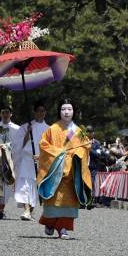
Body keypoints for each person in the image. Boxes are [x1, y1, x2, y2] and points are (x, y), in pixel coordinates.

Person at [36, 99, 93, 239]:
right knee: (53, 200)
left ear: (74, 111)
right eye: (63, 109)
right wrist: (58, 153)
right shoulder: (52, 129)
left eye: (69, 109)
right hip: (55, 170)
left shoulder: (79, 131)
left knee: (68, 202)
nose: (66, 112)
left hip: (72, 172)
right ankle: (50, 223)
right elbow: (44, 146)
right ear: (59, 111)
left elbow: (85, 149)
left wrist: (79, 152)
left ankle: (63, 228)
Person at [10, 100, 49, 221]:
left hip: (41, 161)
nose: (40, 113)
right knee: (25, 185)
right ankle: (26, 210)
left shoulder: (49, 129)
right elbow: (18, 144)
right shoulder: (25, 127)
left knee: (36, 186)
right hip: (27, 160)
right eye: (38, 111)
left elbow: (50, 147)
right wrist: (28, 132)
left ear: (45, 112)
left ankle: (30, 210)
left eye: (43, 111)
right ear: (34, 112)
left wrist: (41, 156)